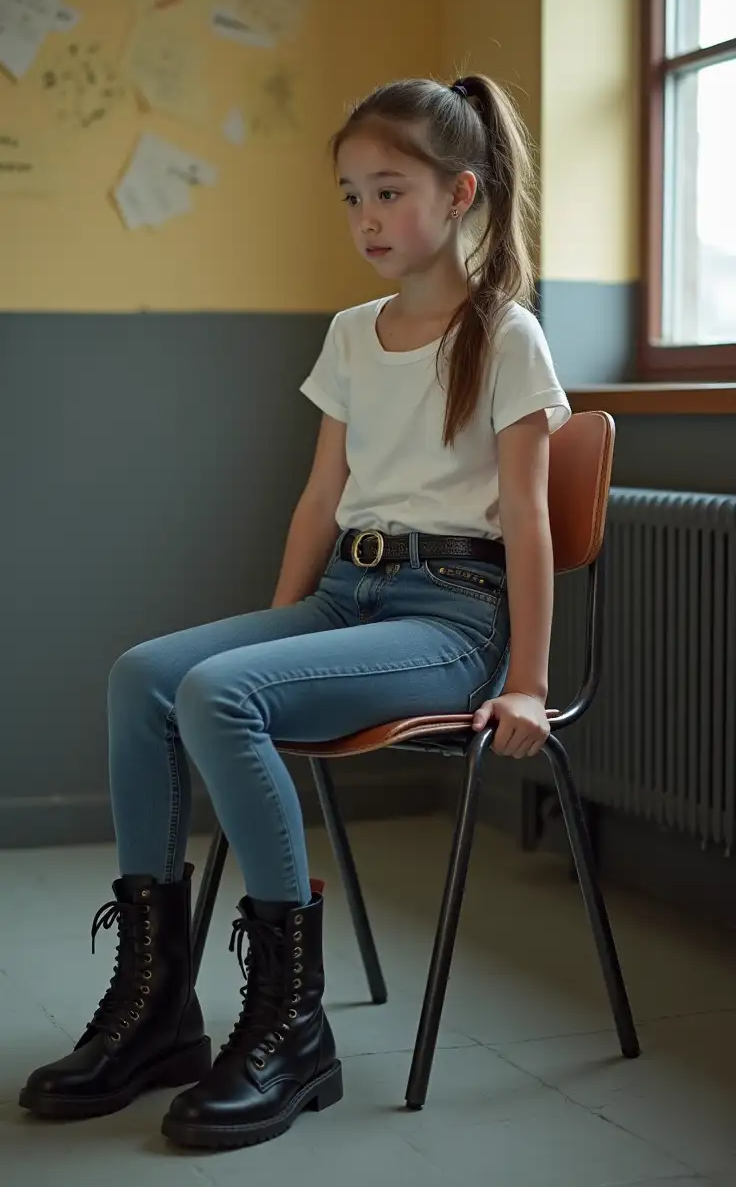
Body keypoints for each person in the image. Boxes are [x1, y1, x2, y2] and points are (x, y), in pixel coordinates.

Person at [19, 74, 570, 1151]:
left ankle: (290, 1022)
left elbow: (529, 521)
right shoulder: (353, 332)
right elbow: (321, 499)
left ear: (461, 193)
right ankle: (156, 1007)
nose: (366, 218)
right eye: (350, 196)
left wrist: (530, 681)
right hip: (341, 599)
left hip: (453, 620)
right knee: (146, 674)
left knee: (219, 692)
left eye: (389, 192)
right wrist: (274, 642)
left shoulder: (506, 337)